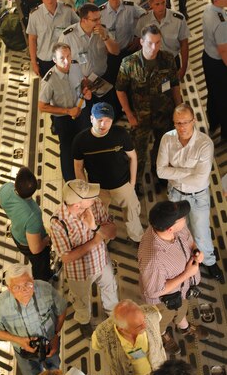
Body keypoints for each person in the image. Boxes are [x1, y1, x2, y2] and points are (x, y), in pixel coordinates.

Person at [157, 103, 224, 282]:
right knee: (177, 230)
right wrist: (188, 172)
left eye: (186, 122)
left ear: (194, 120)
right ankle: (184, 262)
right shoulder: (167, 139)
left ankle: (209, 261)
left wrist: (175, 172)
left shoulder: (204, 144)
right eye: (178, 123)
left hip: (198, 195)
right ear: (174, 123)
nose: (182, 127)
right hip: (175, 193)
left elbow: (199, 179)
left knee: (201, 230)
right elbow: (160, 172)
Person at [116, 24, 181, 193]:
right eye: (150, 43)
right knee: (138, 151)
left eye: (158, 43)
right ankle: (135, 182)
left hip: (164, 114)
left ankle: (159, 174)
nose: (154, 47)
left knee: (162, 147)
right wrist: (129, 114)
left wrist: (179, 109)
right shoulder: (129, 63)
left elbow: (174, 85)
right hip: (140, 117)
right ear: (142, 41)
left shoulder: (167, 59)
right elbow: (120, 89)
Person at [138, 200, 209, 356]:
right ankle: (163, 334)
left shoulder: (173, 228)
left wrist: (196, 250)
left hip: (182, 292)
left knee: (182, 308)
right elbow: (154, 291)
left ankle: (184, 327)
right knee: (162, 319)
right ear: (170, 228)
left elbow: (189, 240)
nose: (185, 219)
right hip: (164, 301)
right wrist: (186, 274)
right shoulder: (153, 259)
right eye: (182, 218)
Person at [50, 179, 118, 339]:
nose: (95, 196)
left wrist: (95, 227)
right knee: (80, 299)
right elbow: (66, 258)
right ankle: (84, 320)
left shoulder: (96, 204)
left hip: (102, 261)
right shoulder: (58, 222)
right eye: (89, 196)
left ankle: (113, 314)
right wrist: (95, 240)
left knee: (110, 288)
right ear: (77, 205)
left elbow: (113, 232)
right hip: (78, 272)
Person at [0, 264, 67, 375]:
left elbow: (62, 310)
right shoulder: (0, 306)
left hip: (50, 345)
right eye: (17, 287)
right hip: (24, 352)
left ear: (33, 280)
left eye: (27, 284)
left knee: (55, 371)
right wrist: (19, 341)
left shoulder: (45, 289)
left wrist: (55, 335)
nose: (24, 290)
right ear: (9, 288)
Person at [73, 102, 143, 243]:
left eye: (108, 121)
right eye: (99, 120)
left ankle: (137, 238)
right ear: (91, 118)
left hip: (123, 184)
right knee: (100, 217)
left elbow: (133, 157)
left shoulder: (121, 134)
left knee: (132, 213)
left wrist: (132, 184)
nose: (103, 125)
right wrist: (85, 193)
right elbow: (78, 168)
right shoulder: (80, 141)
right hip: (97, 189)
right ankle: (104, 240)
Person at [92, 299, 166, 375]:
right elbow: (96, 345)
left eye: (143, 319)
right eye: (138, 325)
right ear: (122, 329)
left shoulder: (150, 312)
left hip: (157, 367)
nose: (145, 325)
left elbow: (158, 316)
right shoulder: (103, 333)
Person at [38, 42, 92, 181]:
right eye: (62, 58)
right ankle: (70, 182)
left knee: (86, 141)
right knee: (68, 150)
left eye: (68, 56)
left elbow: (83, 81)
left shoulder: (75, 66)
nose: (67, 61)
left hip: (81, 111)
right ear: (54, 60)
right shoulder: (49, 80)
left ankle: (89, 169)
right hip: (64, 118)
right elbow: (42, 106)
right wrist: (68, 111)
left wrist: (86, 90)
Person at [0, 166, 53, 281]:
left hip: (17, 234)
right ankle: (43, 281)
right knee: (40, 267)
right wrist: (48, 239)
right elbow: (35, 249)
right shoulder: (33, 215)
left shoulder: (5, 189)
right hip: (27, 244)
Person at [26, 0, 79, 77]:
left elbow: (79, 27)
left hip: (64, 58)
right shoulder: (34, 15)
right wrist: (34, 63)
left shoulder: (67, 10)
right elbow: (32, 39)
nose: (49, 0)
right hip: (45, 61)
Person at [135, 0, 190, 80]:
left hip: (172, 61)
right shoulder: (143, 20)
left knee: (173, 90)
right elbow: (140, 44)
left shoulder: (178, 19)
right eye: (157, 4)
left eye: (163, 3)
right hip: (151, 62)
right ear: (150, 4)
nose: (161, 7)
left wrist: (183, 68)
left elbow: (184, 44)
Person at [100, 0, 145, 85]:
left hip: (127, 51)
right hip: (109, 55)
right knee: (112, 83)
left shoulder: (130, 7)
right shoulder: (100, 12)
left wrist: (139, 37)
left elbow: (145, 17)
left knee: (131, 82)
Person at [59, 3, 120, 79]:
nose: (99, 22)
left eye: (99, 18)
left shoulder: (103, 30)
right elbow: (60, 62)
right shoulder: (68, 36)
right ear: (84, 20)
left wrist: (105, 37)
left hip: (102, 77)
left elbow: (116, 51)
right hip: (79, 80)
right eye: (95, 20)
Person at [202, 0, 227, 141]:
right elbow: (223, 50)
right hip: (219, 63)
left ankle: (214, 123)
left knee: (213, 94)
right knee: (224, 99)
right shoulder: (221, 21)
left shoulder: (209, 9)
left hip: (207, 58)